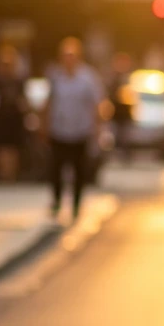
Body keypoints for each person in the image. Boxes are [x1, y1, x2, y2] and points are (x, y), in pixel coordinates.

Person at [41, 37, 102, 219]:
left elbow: (96, 105)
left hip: (80, 132)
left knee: (79, 171)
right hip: (59, 131)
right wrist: (44, 125)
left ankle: (76, 205)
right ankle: (57, 201)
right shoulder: (55, 76)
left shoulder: (88, 78)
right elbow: (48, 102)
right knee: (56, 169)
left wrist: (97, 129)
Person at [0, 45, 28, 183]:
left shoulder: (19, 81)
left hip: (15, 117)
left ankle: (11, 176)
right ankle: (2, 175)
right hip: (1, 117)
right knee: (1, 148)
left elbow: (24, 100)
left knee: (14, 148)